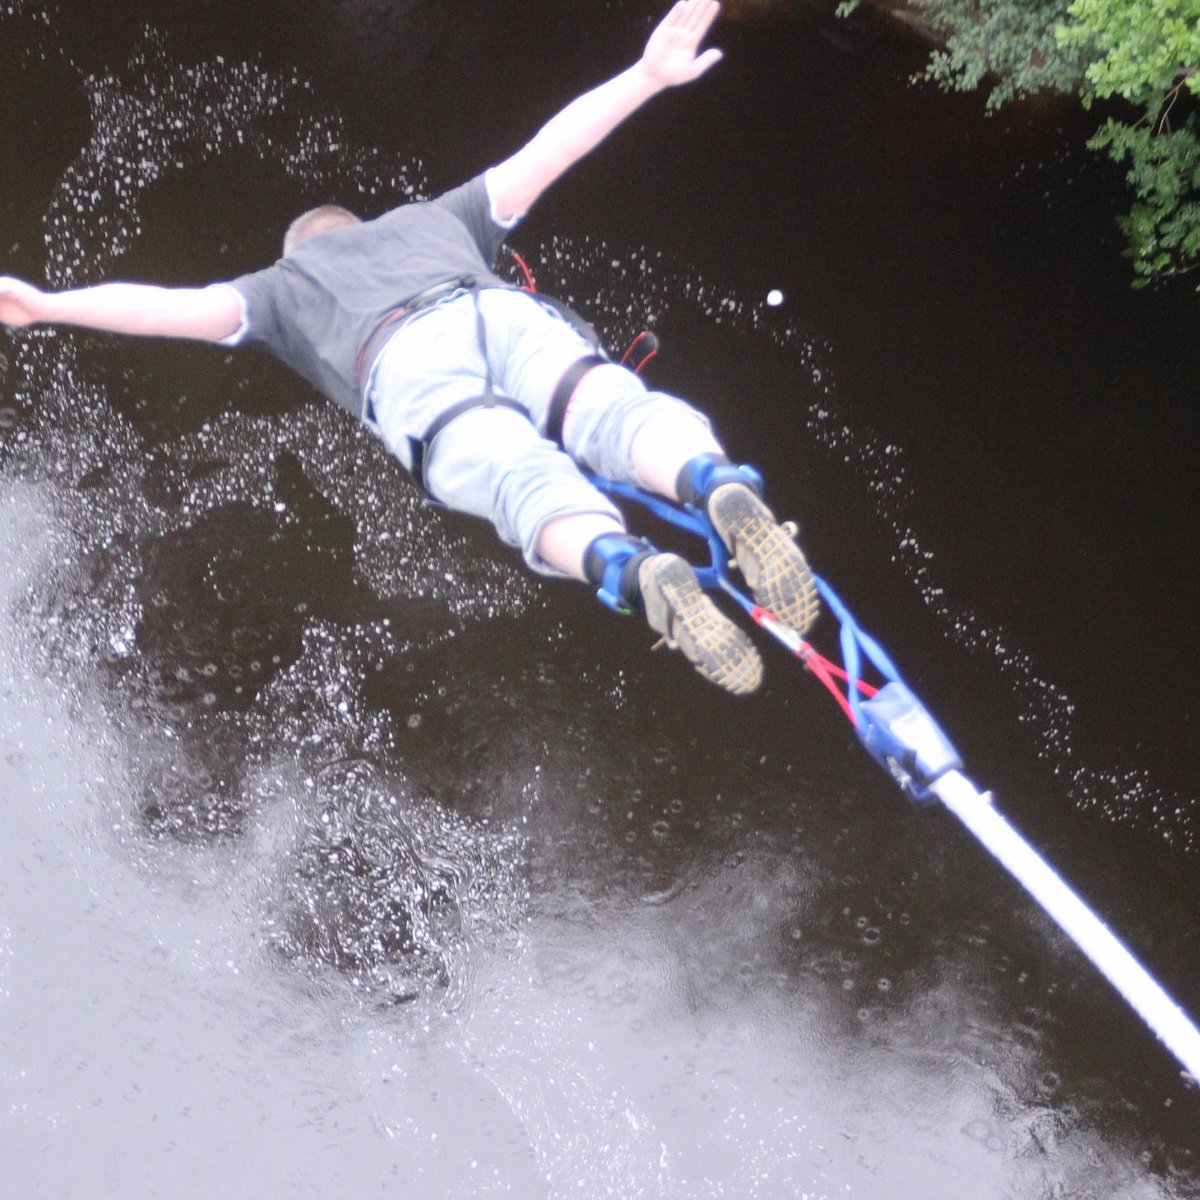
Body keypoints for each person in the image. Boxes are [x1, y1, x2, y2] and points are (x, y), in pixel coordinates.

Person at [0, 0, 816, 695]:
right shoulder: (440, 216)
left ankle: (632, 571)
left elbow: (169, 308)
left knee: (517, 481)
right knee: (607, 405)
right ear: (360, 225)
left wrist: (47, 305)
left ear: (299, 249)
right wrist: (647, 74)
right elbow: (552, 147)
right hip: (489, 309)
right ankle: (712, 480)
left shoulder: (279, 291)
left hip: (404, 364)